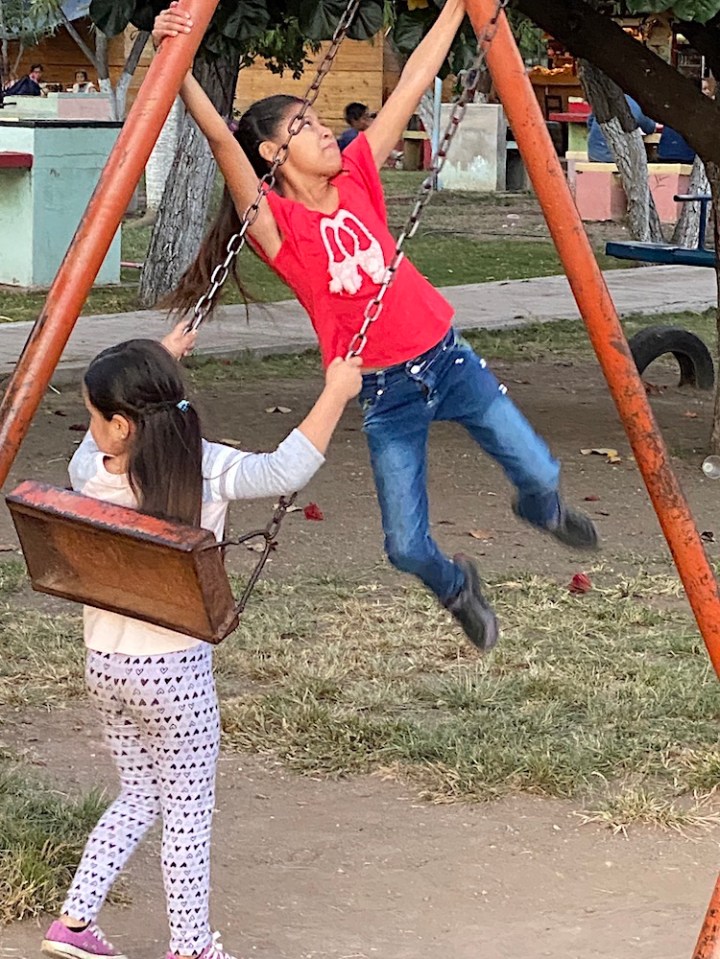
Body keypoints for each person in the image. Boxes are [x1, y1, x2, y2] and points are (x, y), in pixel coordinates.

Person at [154, 0, 599, 655]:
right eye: (304, 126)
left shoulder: (359, 172)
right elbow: (222, 141)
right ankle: (456, 587)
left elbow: (414, 79)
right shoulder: (277, 228)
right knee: (405, 545)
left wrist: (458, 8)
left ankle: (541, 508)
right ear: (273, 152)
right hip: (385, 390)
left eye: (320, 121)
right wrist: (177, 63)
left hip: (446, 358)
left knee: (538, 468)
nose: (324, 132)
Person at [40, 321, 362, 959]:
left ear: (119, 426)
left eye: (93, 416)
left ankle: (74, 924)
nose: (91, 429)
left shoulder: (89, 470)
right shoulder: (208, 468)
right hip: (175, 674)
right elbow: (286, 468)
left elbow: (112, 433)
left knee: (140, 793)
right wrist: (336, 391)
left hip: (106, 665)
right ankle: (190, 947)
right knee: (187, 813)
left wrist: (159, 354)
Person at [587, 95, 656, 163]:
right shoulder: (638, 105)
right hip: (616, 158)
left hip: (594, 154)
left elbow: (590, 122)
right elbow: (650, 128)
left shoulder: (606, 99)